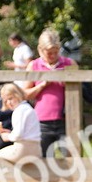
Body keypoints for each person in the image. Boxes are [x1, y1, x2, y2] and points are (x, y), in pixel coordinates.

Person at [23, 28, 75, 158]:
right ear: (40, 50)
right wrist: (43, 84)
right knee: (42, 158)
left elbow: (81, 90)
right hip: (42, 120)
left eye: (55, 52)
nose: (52, 55)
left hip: (66, 119)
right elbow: (26, 94)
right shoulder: (34, 66)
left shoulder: (69, 64)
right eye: (49, 53)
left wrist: (67, 83)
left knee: (70, 158)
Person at [0, 84, 41, 164]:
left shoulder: (19, 110)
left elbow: (18, 134)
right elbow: (26, 132)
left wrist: (7, 136)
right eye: (6, 101)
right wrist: (11, 133)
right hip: (37, 150)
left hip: (23, 149)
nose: (9, 103)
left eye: (10, 98)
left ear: (18, 95)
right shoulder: (28, 108)